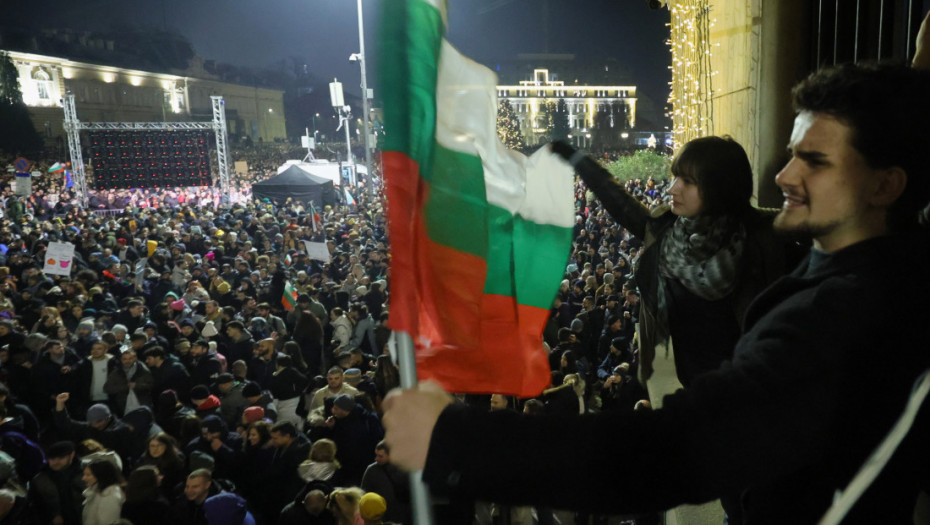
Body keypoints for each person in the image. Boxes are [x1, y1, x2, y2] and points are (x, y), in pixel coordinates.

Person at [382, 63, 930, 524]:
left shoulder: (838, 316)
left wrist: (455, 442)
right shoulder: (881, 266)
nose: (784, 175)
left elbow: (672, 451)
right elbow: (626, 208)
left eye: (816, 160)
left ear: (887, 184)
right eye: (791, 153)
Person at [554, 135, 797, 390]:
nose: (672, 189)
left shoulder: (765, 239)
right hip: (694, 385)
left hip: (752, 390)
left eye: (687, 182)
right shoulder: (666, 233)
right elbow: (620, 203)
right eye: (675, 177)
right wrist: (577, 159)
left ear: (720, 187)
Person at [81, 459, 125, 525]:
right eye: (84, 474)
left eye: (88, 475)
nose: (83, 478)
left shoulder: (109, 496)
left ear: (101, 475)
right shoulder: (95, 492)